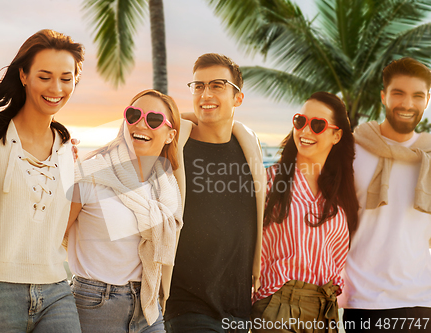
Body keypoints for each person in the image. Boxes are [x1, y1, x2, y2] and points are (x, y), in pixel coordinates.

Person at [0, 29, 84, 332]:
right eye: (45, 76)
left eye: (66, 78)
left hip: (56, 288)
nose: (56, 88)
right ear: (24, 76)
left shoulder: (67, 148)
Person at [164, 53, 266, 333]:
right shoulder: (173, 149)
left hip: (239, 306)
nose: (205, 93)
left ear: (238, 98)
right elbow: (138, 126)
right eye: (198, 86)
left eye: (217, 85)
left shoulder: (249, 148)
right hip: (187, 305)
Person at [66, 89, 183, 333]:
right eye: (133, 115)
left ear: (170, 135)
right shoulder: (91, 174)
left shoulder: (166, 188)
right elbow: (48, 235)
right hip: (94, 304)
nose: (141, 124)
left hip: (147, 305)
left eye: (153, 120)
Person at [251, 92, 358, 333]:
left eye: (318, 125)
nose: (306, 131)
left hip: (325, 311)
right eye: (300, 121)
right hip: (278, 306)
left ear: (337, 135)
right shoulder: (269, 182)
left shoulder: (341, 194)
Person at [340, 57, 431, 332]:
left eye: (418, 95)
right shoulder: (350, 151)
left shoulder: (429, 154)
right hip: (363, 301)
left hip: (420, 299)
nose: (407, 104)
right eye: (398, 93)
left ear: (427, 100)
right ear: (383, 96)